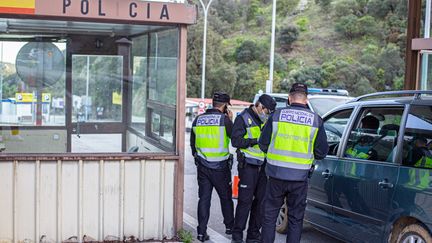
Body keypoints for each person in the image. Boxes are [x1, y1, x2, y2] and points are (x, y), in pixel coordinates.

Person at [258, 83, 329, 243]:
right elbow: (321, 152)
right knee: (296, 220)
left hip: (276, 177)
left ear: (289, 98)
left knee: (269, 218)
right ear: (306, 99)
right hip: (299, 179)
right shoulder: (316, 121)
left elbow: (263, 143)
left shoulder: (276, 116)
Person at [231, 94, 276, 243]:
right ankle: (237, 236)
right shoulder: (242, 118)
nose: (267, 114)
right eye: (266, 111)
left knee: (260, 203)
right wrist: (255, 141)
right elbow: (236, 141)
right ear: (259, 106)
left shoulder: (268, 121)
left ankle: (253, 236)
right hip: (248, 166)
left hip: (264, 167)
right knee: (245, 202)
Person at [190, 91, 235, 242]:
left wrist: (199, 158)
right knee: (226, 198)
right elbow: (235, 139)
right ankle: (230, 227)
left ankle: (201, 232)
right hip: (221, 168)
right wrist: (231, 120)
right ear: (225, 106)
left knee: (204, 199)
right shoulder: (225, 120)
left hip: (202, 167)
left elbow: (193, 145)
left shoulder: (198, 119)